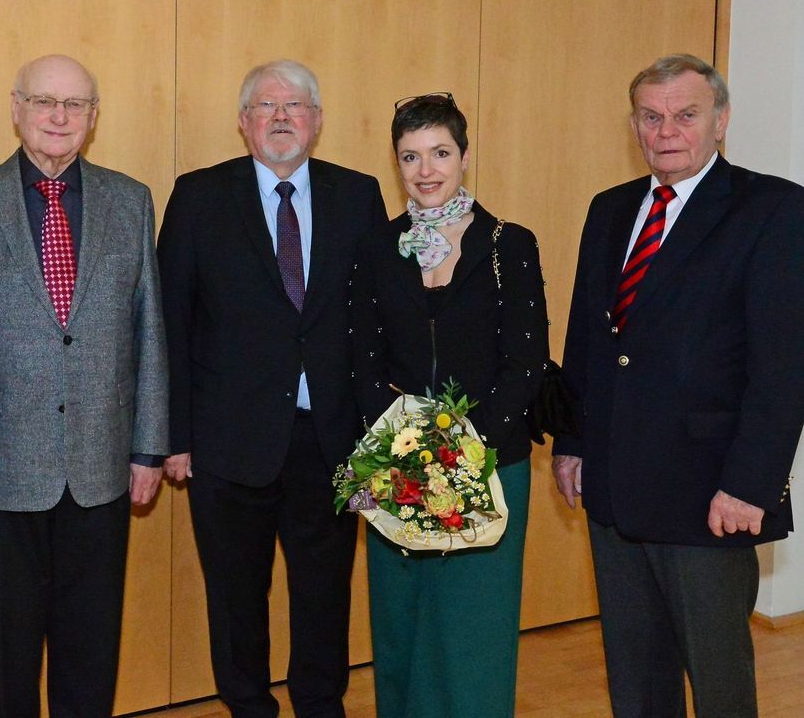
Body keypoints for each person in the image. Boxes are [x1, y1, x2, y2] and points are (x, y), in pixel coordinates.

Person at [552, 53, 804, 718]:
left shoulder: (772, 208)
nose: (665, 131)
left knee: (719, 681)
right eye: (650, 116)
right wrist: (572, 438)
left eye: (685, 115)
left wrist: (752, 482)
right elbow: (585, 338)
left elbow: (783, 364)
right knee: (635, 677)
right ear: (634, 123)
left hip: (708, 491)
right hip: (612, 482)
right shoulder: (609, 210)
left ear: (718, 121)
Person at [0, 54, 168, 718]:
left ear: (94, 118)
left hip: (101, 467)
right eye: (44, 102)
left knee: (91, 652)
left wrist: (148, 446)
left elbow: (148, 328)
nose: (58, 117)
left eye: (74, 105)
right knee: (6, 658)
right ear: (16, 109)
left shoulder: (131, 200)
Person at [158, 59, 386, 718]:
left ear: (316, 122)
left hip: (333, 439)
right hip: (227, 442)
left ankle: (320, 703)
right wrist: (173, 438)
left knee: (324, 592)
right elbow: (170, 325)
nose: (281, 116)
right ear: (242, 122)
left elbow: (375, 324)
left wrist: (378, 440)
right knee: (235, 595)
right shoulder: (199, 196)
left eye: (296, 105)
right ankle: (248, 705)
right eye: (265, 105)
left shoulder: (358, 194)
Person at [350, 93, 548, 717]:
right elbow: (362, 356)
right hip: (399, 465)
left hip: (488, 463)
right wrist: (401, 447)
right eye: (410, 156)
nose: (425, 169)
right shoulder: (378, 247)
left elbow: (526, 363)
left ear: (465, 156)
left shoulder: (508, 243)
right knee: (403, 624)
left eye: (439, 152)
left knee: (471, 630)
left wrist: (461, 452)